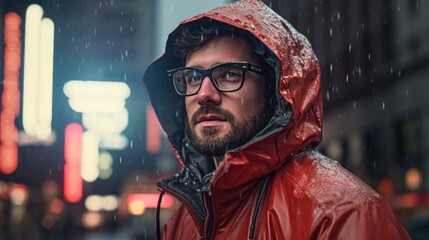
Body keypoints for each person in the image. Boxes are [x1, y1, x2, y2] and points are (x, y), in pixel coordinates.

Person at [143, 0, 411, 239]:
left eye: (229, 74)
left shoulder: (341, 214)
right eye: (192, 78)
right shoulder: (182, 223)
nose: (203, 94)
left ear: (274, 91)